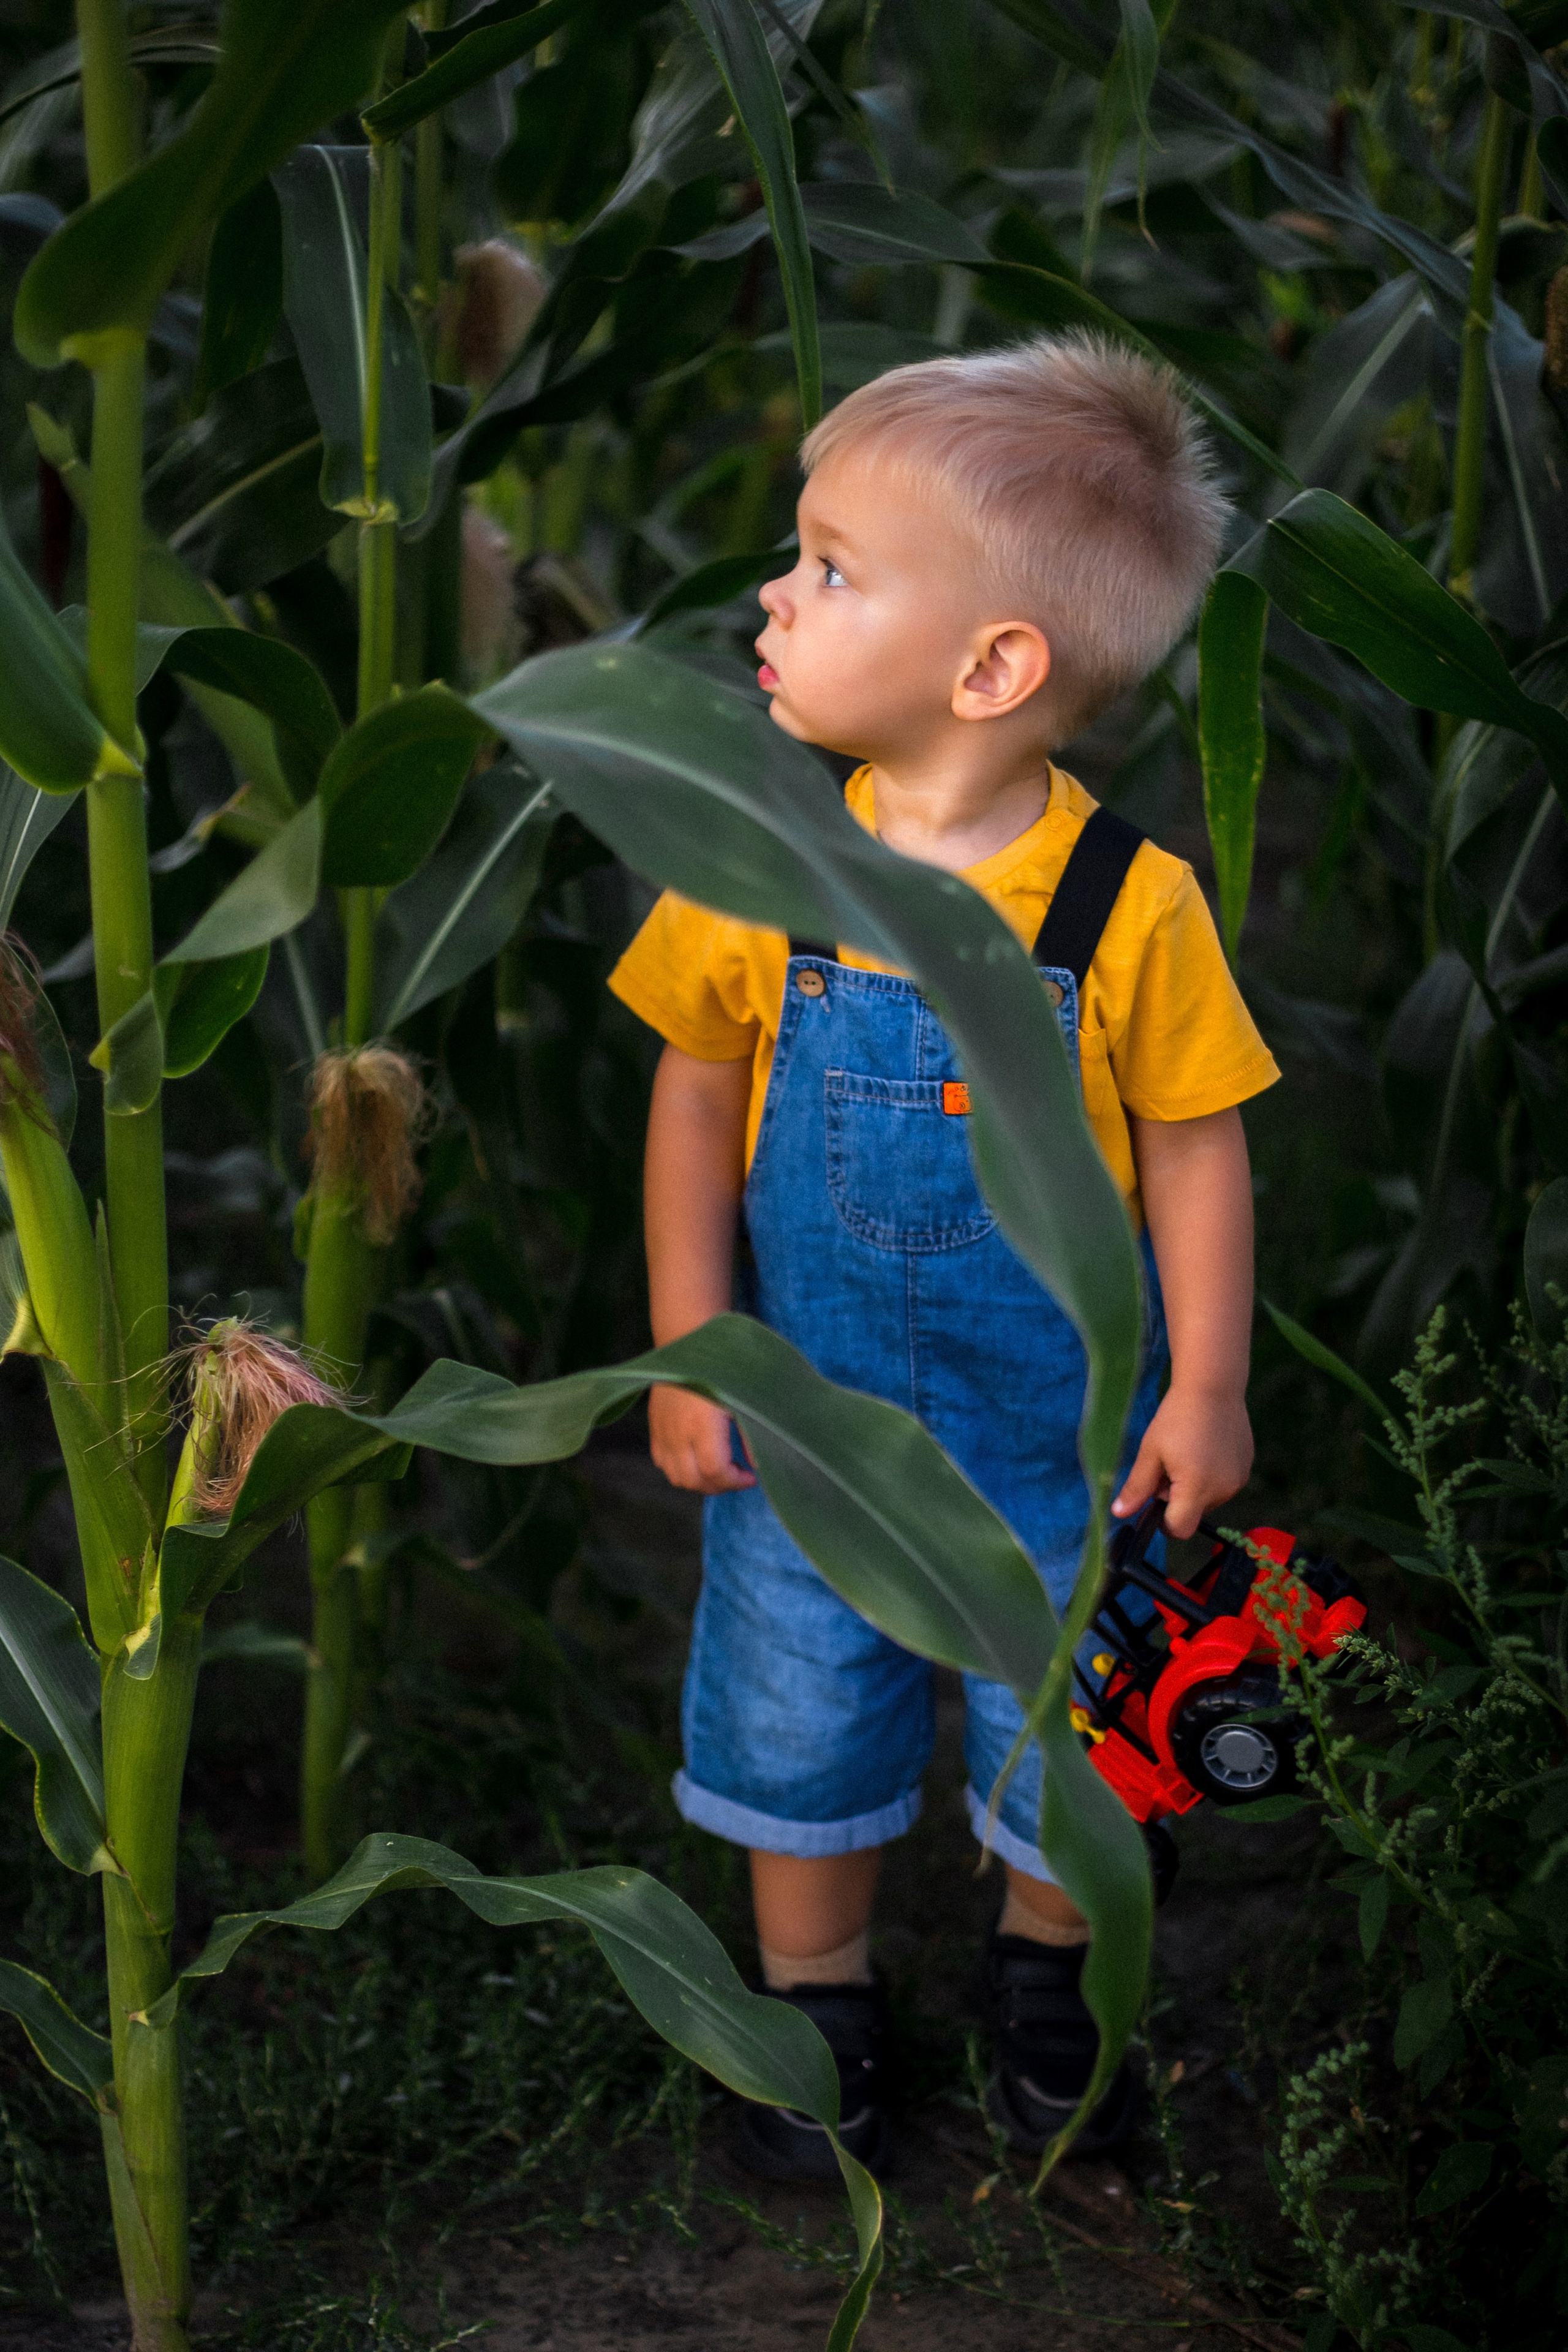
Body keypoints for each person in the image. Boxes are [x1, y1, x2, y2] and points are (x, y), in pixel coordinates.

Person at [608, 331, 1280, 2179]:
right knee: (791, 1702)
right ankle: (813, 2001)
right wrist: (690, 1342)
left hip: (1058, 1442)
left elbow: (1199, 1144)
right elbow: (693, 1092)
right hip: (810, 1430)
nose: (778, 589)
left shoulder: (1126, 908)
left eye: (831, 568)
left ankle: (1050, 1975)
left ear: (993, 667)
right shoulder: (760, 857)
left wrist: (1206, 1386)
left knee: (1068, 1717)